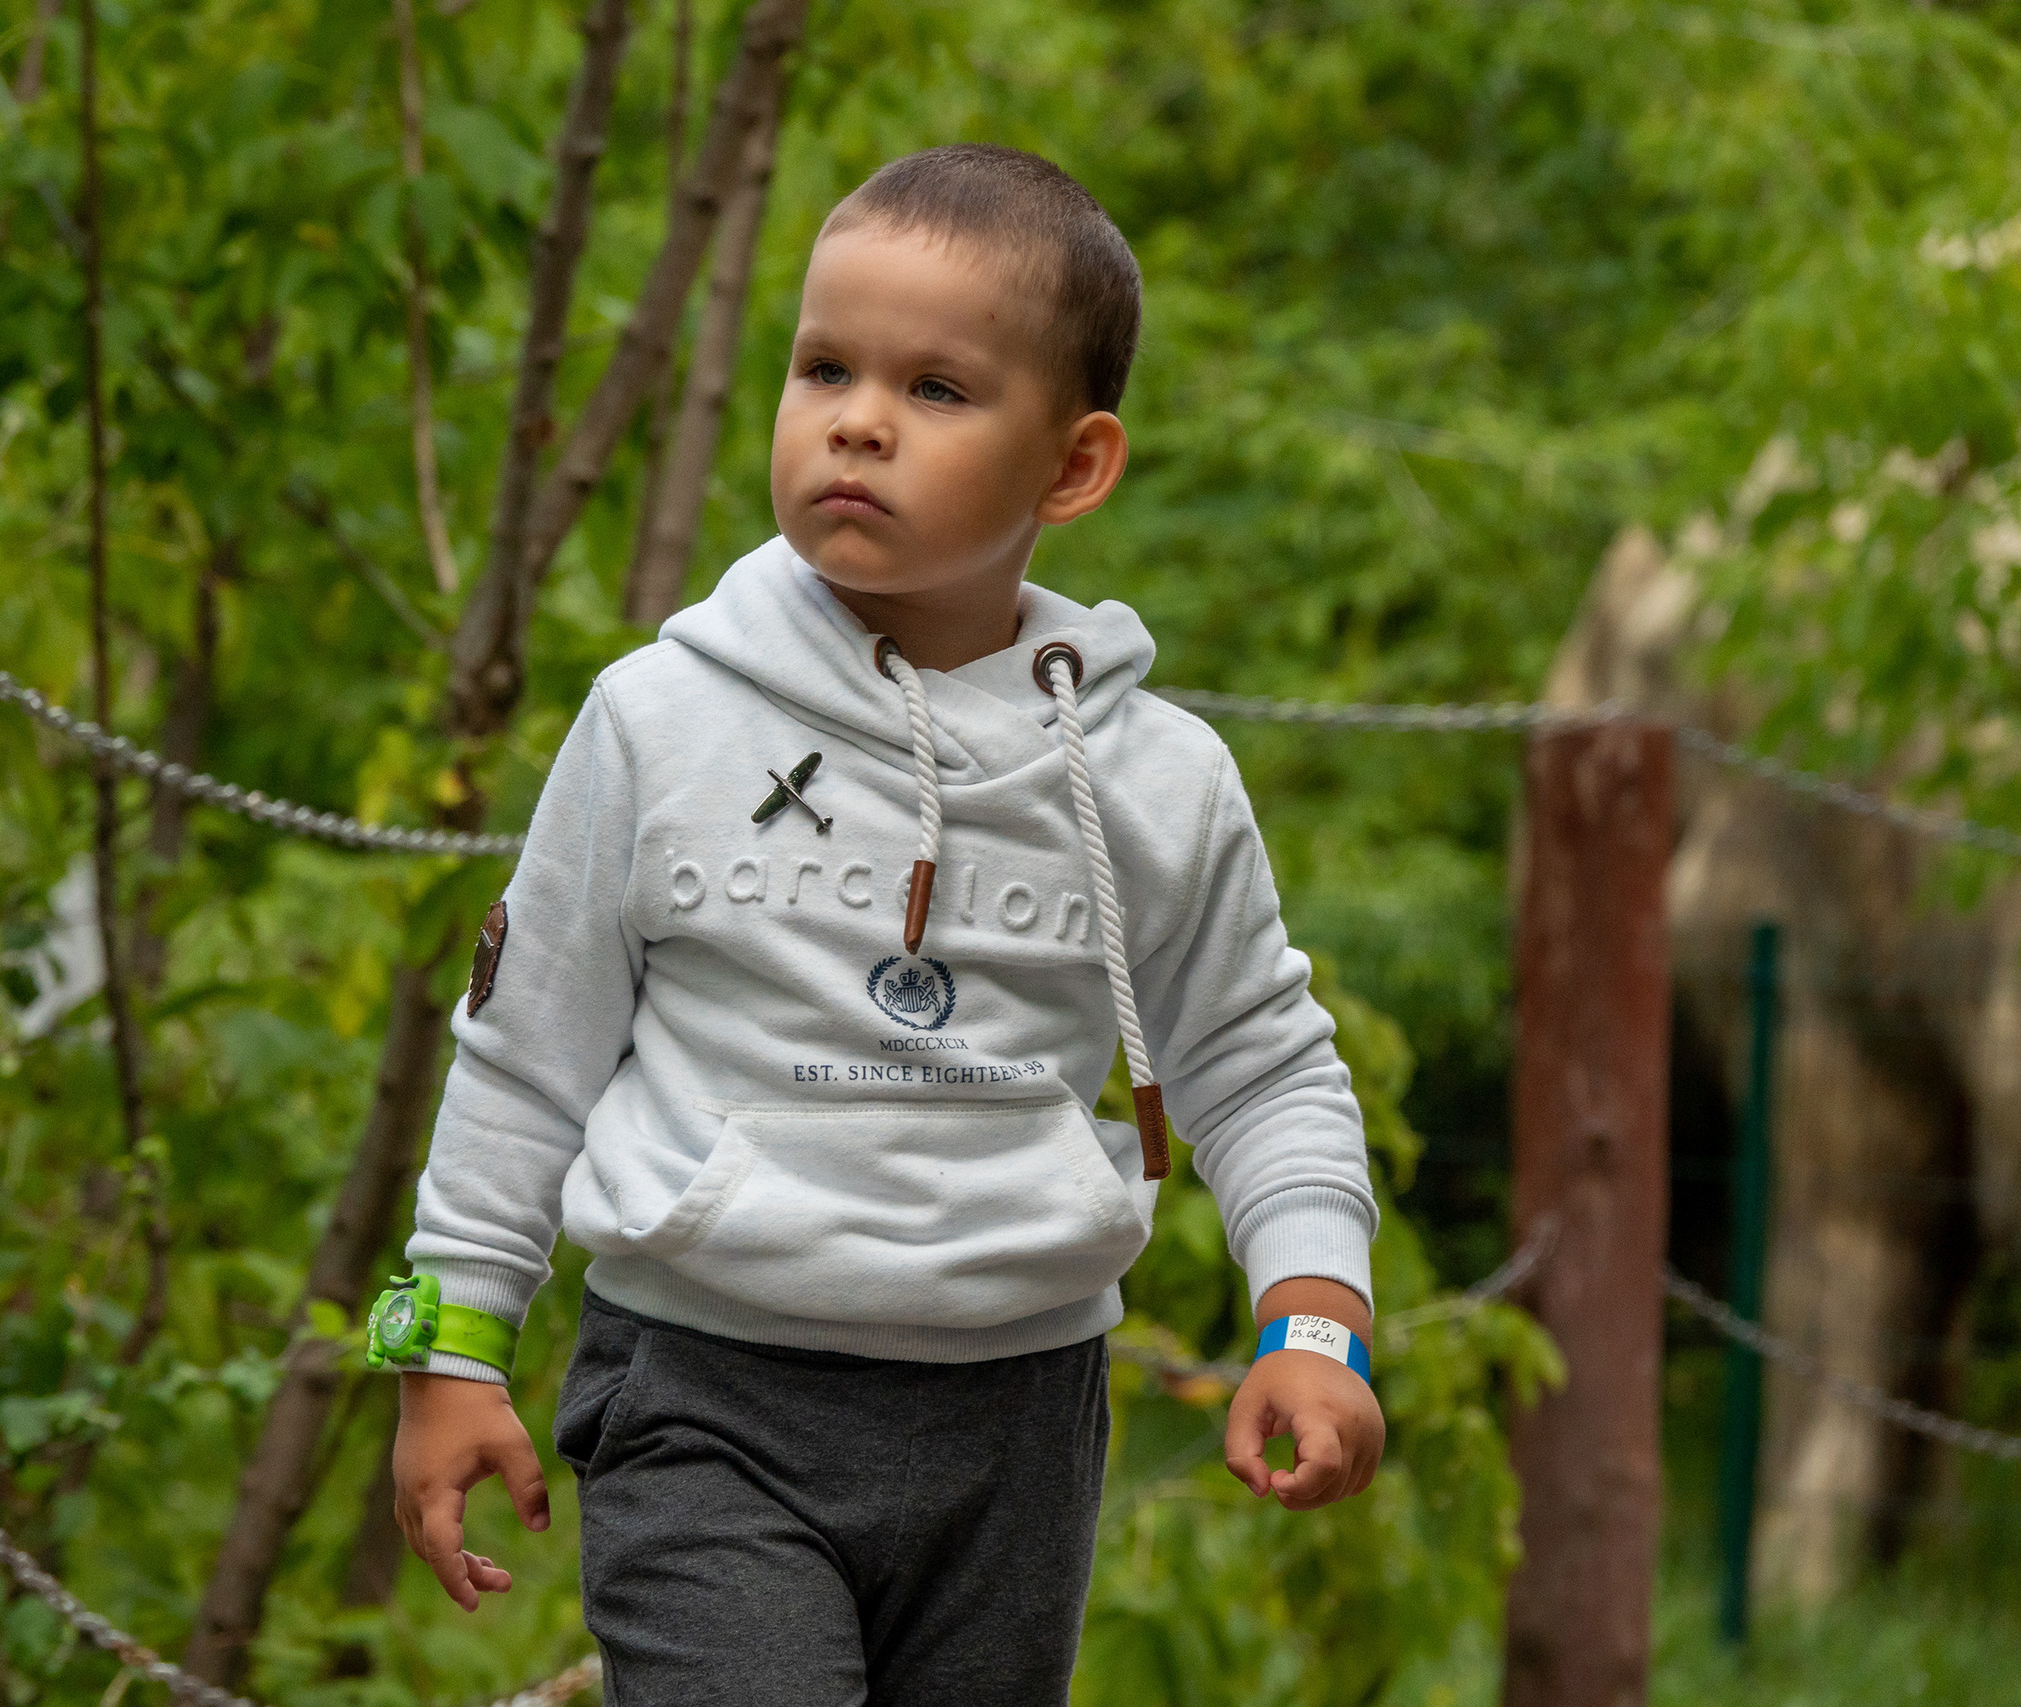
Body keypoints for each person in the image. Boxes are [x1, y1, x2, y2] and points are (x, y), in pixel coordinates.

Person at [368, 143, 1383, 1704]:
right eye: (825, 367)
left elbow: (1260, 1068)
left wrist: (1317, 1319)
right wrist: (448, 1346)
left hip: (1018, 1418)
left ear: (1073, 468)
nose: (857, 419)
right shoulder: (657, 720)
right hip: (706, 1392)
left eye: (936, 389)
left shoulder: (1155, 780)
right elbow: (524, 1054)